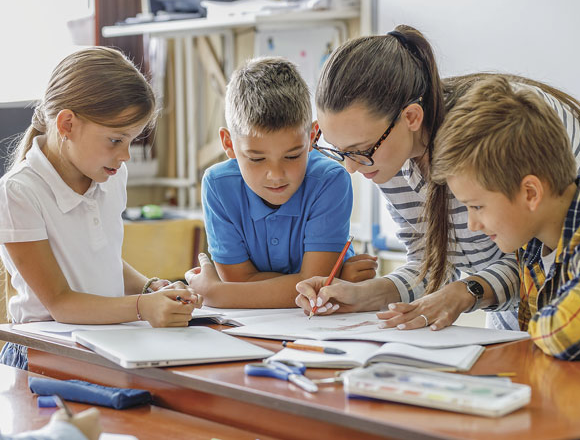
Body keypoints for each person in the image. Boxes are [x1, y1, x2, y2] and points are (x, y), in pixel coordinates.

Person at [295, 24, 580, 331]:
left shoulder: (502, 130)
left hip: (574, 315)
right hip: (529, 326)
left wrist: (467, 291)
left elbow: (544, 257)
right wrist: (363, 295)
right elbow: (432, 264)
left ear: (411, 118)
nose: (351, 167)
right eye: (339, 150)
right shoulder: (387, 158)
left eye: (360, 150)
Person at [0, 47, 202, 370]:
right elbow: (61, 303)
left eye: (132, 141)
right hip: (43, 356)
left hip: (105, 342)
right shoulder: (19, 192)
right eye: (115, 140)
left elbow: (102, 259)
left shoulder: (111, 176)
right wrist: (141, 307)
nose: (125, 157)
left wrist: (151, 288)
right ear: (67, 124)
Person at [429, 75, 580, 359]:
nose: (472, 224)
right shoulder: (533, 246)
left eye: (477, 206)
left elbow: (567, 333)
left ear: (530, 193)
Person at [185, 57, 377, 308]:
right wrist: (334, 278)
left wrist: (217, 294)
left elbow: (313, 285)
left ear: (312, 137)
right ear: (229, 144)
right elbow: (311, 285)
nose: (276, 175)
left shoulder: (330, 181)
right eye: (256, 158)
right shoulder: (218, 186)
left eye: (292, 156)